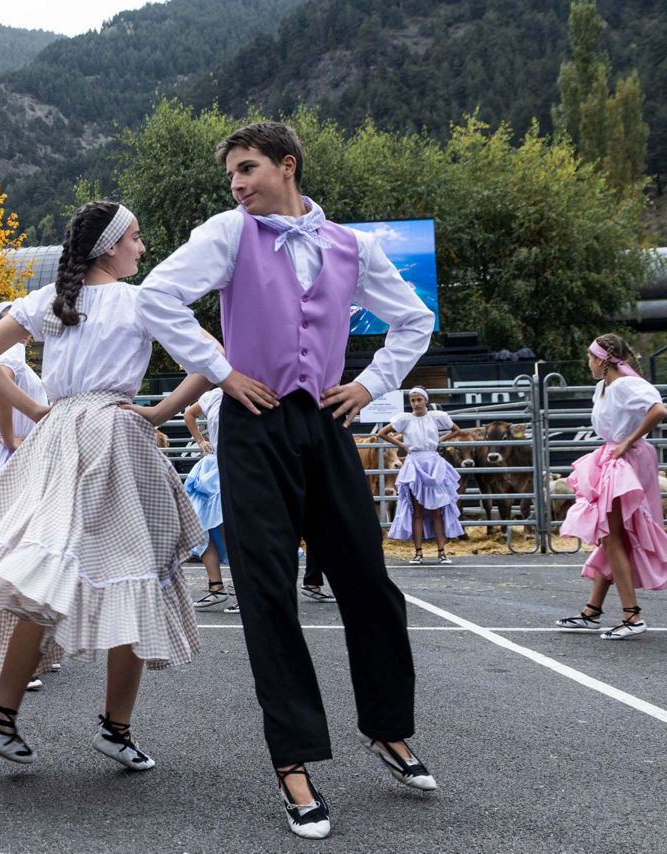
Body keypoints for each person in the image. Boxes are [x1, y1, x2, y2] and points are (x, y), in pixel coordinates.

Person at [135, 121, 437, 839]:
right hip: (253, 423)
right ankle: (294, 763)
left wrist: (368, 386)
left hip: (327, 421)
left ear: (287, 166)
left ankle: (388, 729)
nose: (237, 185)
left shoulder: (349, 245)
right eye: (231, 176)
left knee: (368, 579)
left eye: (247, 170)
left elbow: (413, 320)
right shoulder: (229, 233)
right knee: (268, 590)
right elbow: (157, 296)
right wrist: (220, 369)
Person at [0, 201, 206, 772]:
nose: (142, 248)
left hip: (58, 437)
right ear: (109, 248)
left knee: (44, 568)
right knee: (131, 572)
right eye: (135, 239)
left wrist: (37, 408)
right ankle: (114, 727)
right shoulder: (142, 300)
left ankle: (5, 715)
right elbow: (211, 359)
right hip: (113, 435)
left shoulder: (53, 301)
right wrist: (158, 412)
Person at [557, 334, 667, 639]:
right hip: (612, 457)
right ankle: (593, 611)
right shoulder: (604, 386)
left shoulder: (624, 384)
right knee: (610, 537)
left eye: (589, 358)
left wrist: (628, 442)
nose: (588, 363)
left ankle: (632, 616)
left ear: (601, 360)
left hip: (627, 461)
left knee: (611, 536)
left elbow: (659, 410)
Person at [0, 301, 48, 502]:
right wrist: (10, 439)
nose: (21, 327)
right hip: (13, 452)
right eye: (13, 321)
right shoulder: (11, 350)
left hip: (5, 450)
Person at [379, 388, 464, 564]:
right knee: (416, 511)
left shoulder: (435, 417)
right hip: (415, 464)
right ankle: (418, 552)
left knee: (437, 510)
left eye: (419, 400)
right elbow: (382, 433)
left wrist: (440, 441)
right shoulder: (405, 419)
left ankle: (442, 552)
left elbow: (457, 430)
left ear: (425, 400)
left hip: (433, 463)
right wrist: (402, 444)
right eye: (413, 400)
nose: (416, 403)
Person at [183, 384, 231, 610]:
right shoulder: (214, 395)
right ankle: (216, 587)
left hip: (238, 467)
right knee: (203, 528)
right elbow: (189, 414)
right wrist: (201, 441)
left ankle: (247, 592)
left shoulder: (250, 389)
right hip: (214, 469)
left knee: (231, 529)